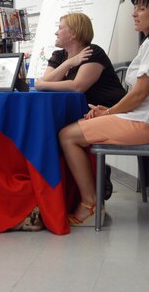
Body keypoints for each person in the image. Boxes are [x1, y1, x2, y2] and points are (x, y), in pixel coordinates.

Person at [59, 0, 149, 227]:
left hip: (146, 124)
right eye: (134, 8)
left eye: (141, 8)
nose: (134, 14)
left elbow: (139, 94)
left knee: (67, 135)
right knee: (79, 127)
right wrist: (107, 111)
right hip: (140, 118)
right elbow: (136, 96)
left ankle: (90, 203)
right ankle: (93, 198)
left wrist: (110, 112)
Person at [35, 12, 126, 200]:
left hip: (108, 112)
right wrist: (69, 62)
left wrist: (42, 83)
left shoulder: (93, 52)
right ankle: (70, 192)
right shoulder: (59, 55)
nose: (56, 32)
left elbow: (77, 86)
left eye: (60, 28)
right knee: (49, 131)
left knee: (62, 135)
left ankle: (87, 194)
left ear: (74, 33)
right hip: (83, 113)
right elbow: (48, 80)